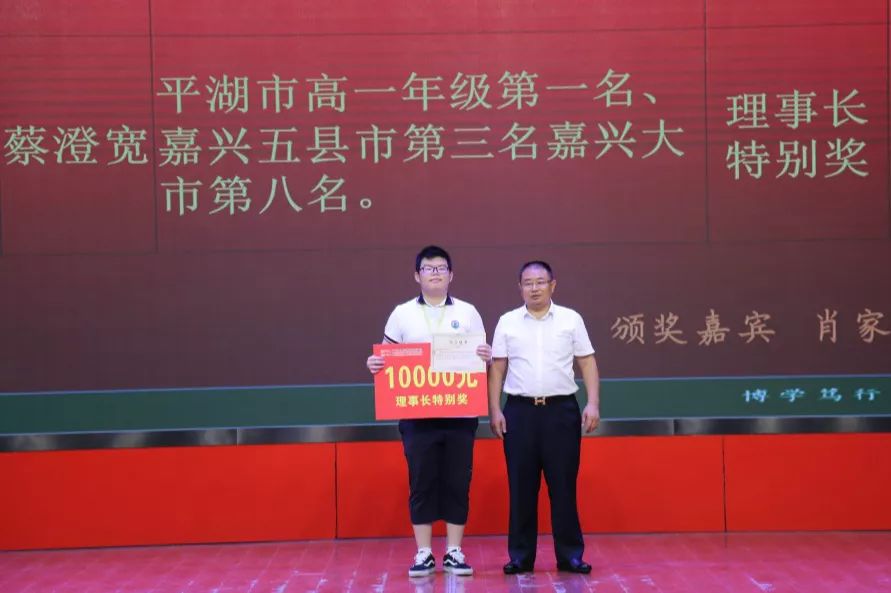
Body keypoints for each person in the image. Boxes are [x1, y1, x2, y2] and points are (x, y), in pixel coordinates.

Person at [367, 245, 491, 577]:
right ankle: (423, 552)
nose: (435, 274)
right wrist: (376, 364)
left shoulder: (468, 312)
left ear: (451, 275)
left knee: (457, 481)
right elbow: (387, 358)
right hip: (417, 416)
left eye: (440, 268)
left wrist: (486, 355)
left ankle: (454, 551)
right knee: (421, 481)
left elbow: (481, 357)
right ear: (417, 276)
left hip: (460, 414)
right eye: (428, 268)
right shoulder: (401, 314)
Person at [487, 260, 601, 575]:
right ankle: (521, 557)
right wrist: (495, 409)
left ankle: (570, 555)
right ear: (520, 287)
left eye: (540, 282)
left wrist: (592, 403)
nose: (534, 288)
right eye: (528, 283)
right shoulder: (507, 321)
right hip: (520, 412)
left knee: (563, 486)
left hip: (560, 412)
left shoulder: (570, 319)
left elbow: (587, 362)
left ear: (553, 285)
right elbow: (497, 368)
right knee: (521, 488)